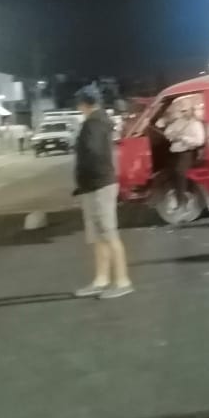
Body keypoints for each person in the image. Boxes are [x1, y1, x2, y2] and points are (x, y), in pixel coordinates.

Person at [72, 86, 132, 299]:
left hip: (99, 185)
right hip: (93, 185)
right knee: (98, 236)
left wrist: (88, 178)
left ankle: (122, 281)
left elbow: (95, 155)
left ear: (85, 103)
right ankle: (101, 280)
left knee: (108, 233)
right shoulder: (97, 121)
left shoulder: (94, 123)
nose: (78, 107)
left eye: (79, 103)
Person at [160, 97, 206, 212]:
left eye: (186, 111)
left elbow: (200, 141)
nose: (184, 113)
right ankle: (179, 197)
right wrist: (173, 134)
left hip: (188, 153)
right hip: (176, 153)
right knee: (168, 172)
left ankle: (182, 202)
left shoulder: (196, 124)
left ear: (191, 110)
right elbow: (167, 132)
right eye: (182, 111)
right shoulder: (179, 122)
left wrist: (183, 138)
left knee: (180, 172)